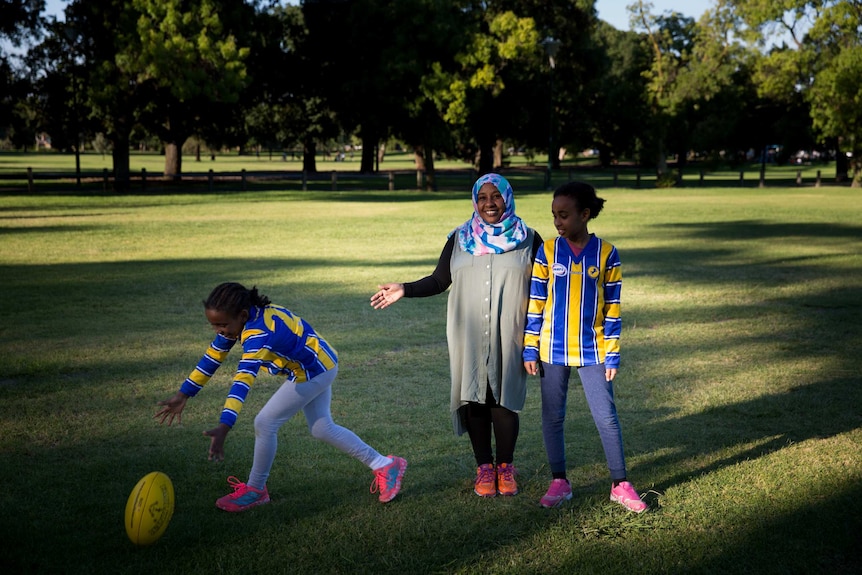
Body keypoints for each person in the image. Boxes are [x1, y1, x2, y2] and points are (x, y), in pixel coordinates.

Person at [156, 282, 407, 512]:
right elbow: (212, 357)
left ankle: (255, 490)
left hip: (313, 370)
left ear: (242, 315)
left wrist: (225, 425)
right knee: (322, 428)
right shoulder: (243, 319)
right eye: (214, 325)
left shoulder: (258, 333)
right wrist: (184, 394)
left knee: (265, 422)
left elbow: (242, 379)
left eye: (222, 326)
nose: (219, 331)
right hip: (319, 363)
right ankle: (385, 464)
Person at [371, 173, 542, 498]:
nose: (489, 203)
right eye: (483, 197)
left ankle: (505, 467)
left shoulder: (529, 239)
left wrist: (539, 339)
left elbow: (544, 289)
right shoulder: (460, 238)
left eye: (496, 196)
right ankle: (483, 468)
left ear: (508, 197)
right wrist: (404, 289)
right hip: (468, 334)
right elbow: (439, 280)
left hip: (512, 333)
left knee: (504, 399)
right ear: (475, 201)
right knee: (474, 398)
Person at [523, 181, 647, 513]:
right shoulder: (547, 252)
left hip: (593, 351)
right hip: (552, 350)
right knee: (552, 417)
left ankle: (620, 484)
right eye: (554, 216)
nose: (557, 222)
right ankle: (560, 482)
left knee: (606, 417)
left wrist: (613, 352)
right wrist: (529, 348)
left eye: (564, 215)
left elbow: (613, 308)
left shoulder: (607, 253)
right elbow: (536, 302)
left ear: (585, 214)